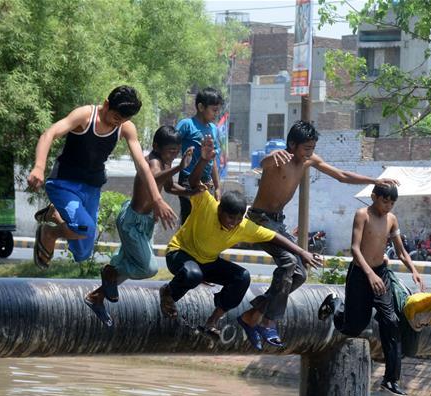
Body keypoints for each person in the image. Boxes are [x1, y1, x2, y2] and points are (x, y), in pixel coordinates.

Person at [237, 120, 400, 350]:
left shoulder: (309, 161)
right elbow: (263, 163)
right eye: (306, 148)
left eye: (312, 149)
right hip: (260, 219)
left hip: (277, 222)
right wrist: (271, 156)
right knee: (288, 263)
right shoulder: (279, 158)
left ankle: (252, 314)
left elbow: (341, 175)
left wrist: (375, 181)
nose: (309, 154)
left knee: (300, 274)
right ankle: (268, 322)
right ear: (292, 145)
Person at [158, 147, 322, 343]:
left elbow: (273, 237)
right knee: (193, 275)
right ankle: (168, 292)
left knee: (242, 277)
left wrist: (302, 252)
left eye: (237, 219)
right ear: (220, 210)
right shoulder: (207, 205)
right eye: (229, 217)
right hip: (180, 254)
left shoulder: (243, 226)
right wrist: (202, 161)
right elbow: (194, 183)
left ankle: (212, 321)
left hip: (207, 262)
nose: (232, 223)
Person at [27, 85, 176, 269]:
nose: (117, 123)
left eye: (123, 120)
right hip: (63, 183)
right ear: (106, 105)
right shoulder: (84, 116)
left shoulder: (126, 128)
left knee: (83, 252)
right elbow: (49, 134)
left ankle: (54, 216)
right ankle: (49, 233)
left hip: (91, 188)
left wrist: (157, 199)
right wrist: (39, 167)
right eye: (116, 117)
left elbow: (142, 166)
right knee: (85, 228)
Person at [317, 183, 425, 396]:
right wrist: (369, 274)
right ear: (374, 197)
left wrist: (413, 270)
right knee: (354, 327)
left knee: (391, 321)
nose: (388, 206)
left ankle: (391, 379)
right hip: (360, 274)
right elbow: (355, 249)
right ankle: (336, 305)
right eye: (385, 201)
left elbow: (401, 251)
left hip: (381, 274)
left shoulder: (392, 219)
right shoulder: (362, 215)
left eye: (392, 203)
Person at [83, 126, 194, 326]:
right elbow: (152, 178)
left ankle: (96, 297)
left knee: (133, 263)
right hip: (132, 224)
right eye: (170, 151)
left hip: (145, 222)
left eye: (176, 151)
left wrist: (192, 192)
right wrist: (179, 167)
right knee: (147, 268)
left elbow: (168, 186)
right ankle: (110, 272)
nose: (174, 155)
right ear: (156, 146)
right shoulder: (152, 162)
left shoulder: (164, 162)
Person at [176, 87, 223, 224]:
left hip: (206, 182)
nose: (217, 114)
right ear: (201, 107)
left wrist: (217, 186)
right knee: (189, 221)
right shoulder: (187, 125)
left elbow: (211, 159)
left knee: (204, 223)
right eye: (214, 110)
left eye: (218, 110)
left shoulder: (213, 129)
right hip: (188, 179)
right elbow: (170, 145)